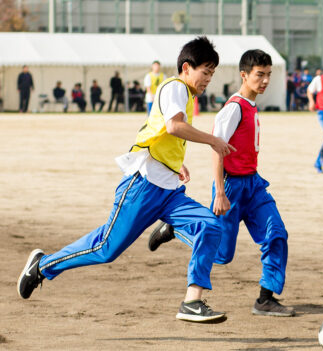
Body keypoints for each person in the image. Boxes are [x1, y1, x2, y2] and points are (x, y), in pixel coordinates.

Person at [17, 36, 236, 323]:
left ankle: (192, 302)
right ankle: (43, 266)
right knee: (105, 248)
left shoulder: (187, 95)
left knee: (210, 226)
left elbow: (159, 131)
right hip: (142, 186)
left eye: (212, 73)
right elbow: (173, 125)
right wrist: (213, 141)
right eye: (205, 72)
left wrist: (176, 164)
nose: (208, 79)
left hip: (168, 190)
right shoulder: (174, 86)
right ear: (186, 67)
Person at [148, 49, 295, 317]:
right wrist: (219, 192)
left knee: (277, 234)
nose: (265, 81)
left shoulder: (251, 106)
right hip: (231, 189)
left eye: (268, 75)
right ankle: (177, 229)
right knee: (222, 255)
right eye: (259, 75)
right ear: (244, 75)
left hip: (254, 186)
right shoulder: (234, 108)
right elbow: (217, 149)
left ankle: (265, 299)